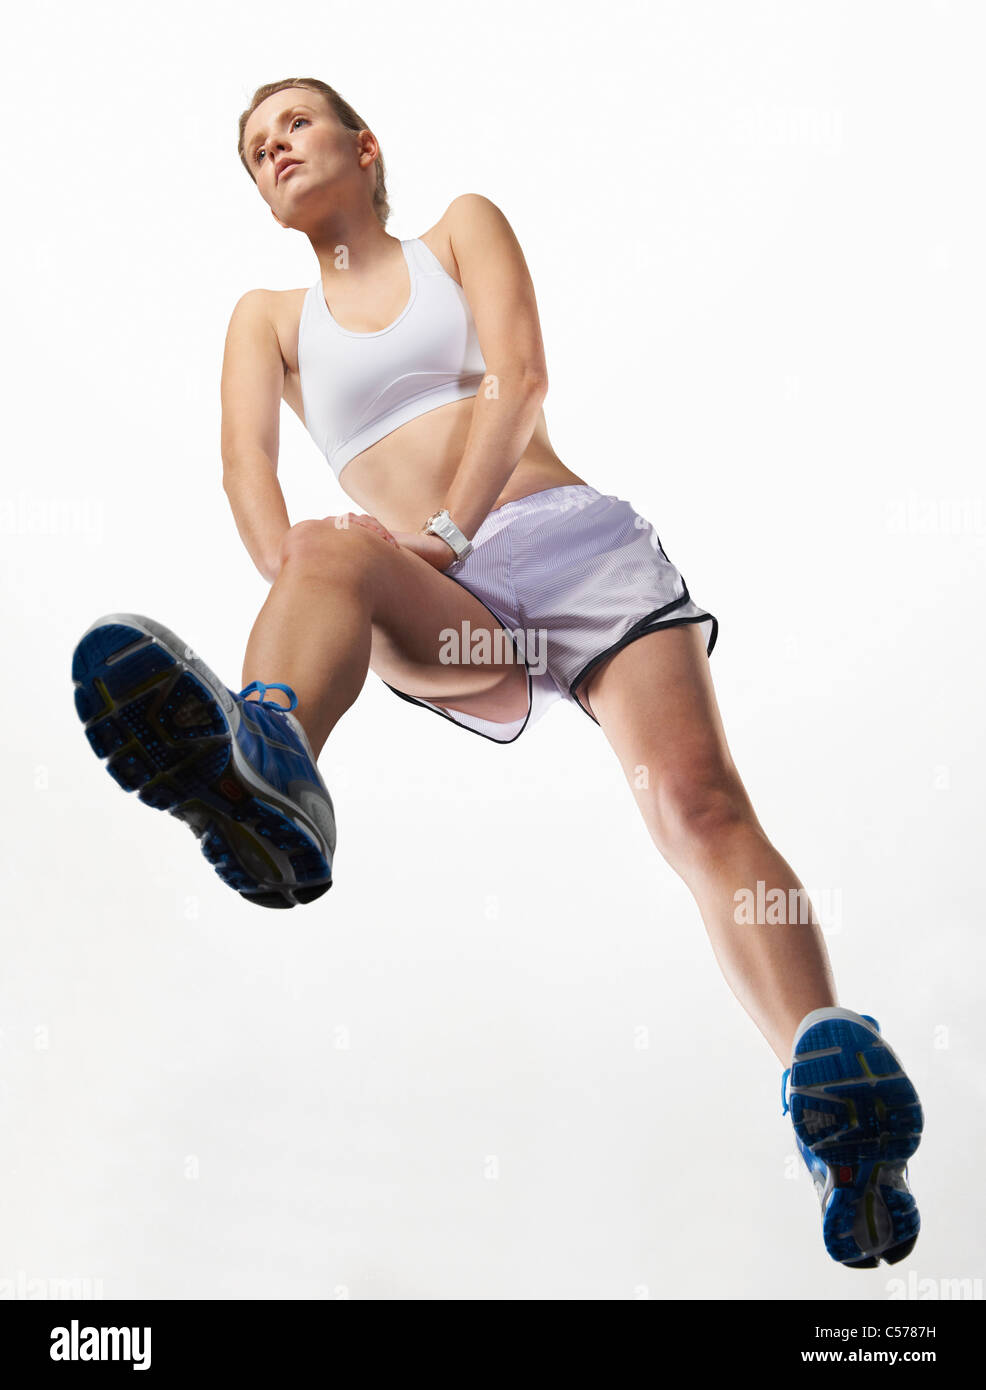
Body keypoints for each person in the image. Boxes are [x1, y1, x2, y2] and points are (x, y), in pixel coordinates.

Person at [71, 77, 923, 1268]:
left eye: (295, 126)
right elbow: (245, 471)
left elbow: (517, 382)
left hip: (567, 545)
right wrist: (312, 582)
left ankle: (830, 1095)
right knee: (323, 545)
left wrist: (451, 531)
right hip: (450, 608)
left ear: (364, 148)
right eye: (254, 149)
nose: (273, 150)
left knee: (697, 804)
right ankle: (268, 769)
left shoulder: (459, 229)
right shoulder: (266, 318)